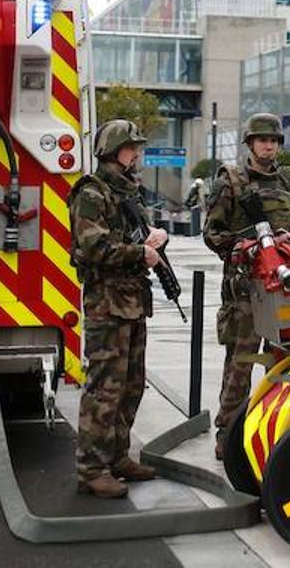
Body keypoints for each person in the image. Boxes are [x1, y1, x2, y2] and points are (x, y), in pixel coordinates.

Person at [203, 113, 290, 459]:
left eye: (273, 140)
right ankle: (229, 435)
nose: (268, 145)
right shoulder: (232, 181)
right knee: (240, 364)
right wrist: (251, 244)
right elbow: (213, 235)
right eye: (262, 140)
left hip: (287, 290)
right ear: (250, 144)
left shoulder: (289, 182)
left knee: (286, 364)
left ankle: (281, 430)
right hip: (245, 290)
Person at [67, 119, 166, 498]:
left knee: (131, 384)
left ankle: (117, 456)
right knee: (104, 388)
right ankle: (91, 468)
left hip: (131, 301)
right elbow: (95, 248)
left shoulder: (127, 192)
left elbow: (128, 238)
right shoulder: (92, 192)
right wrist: (141, 253)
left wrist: (154, 239)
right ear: (115, 151)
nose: (137, 154)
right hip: (106, 304)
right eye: (132, 148)